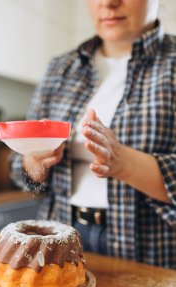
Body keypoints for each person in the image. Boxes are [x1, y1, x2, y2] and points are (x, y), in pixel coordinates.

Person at [10, 0, 176, 268]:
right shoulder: (60, 69)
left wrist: (124, 163)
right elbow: (21, 171)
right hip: (61, 235)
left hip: (151, 249)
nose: (109, 3)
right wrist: (34, 163)